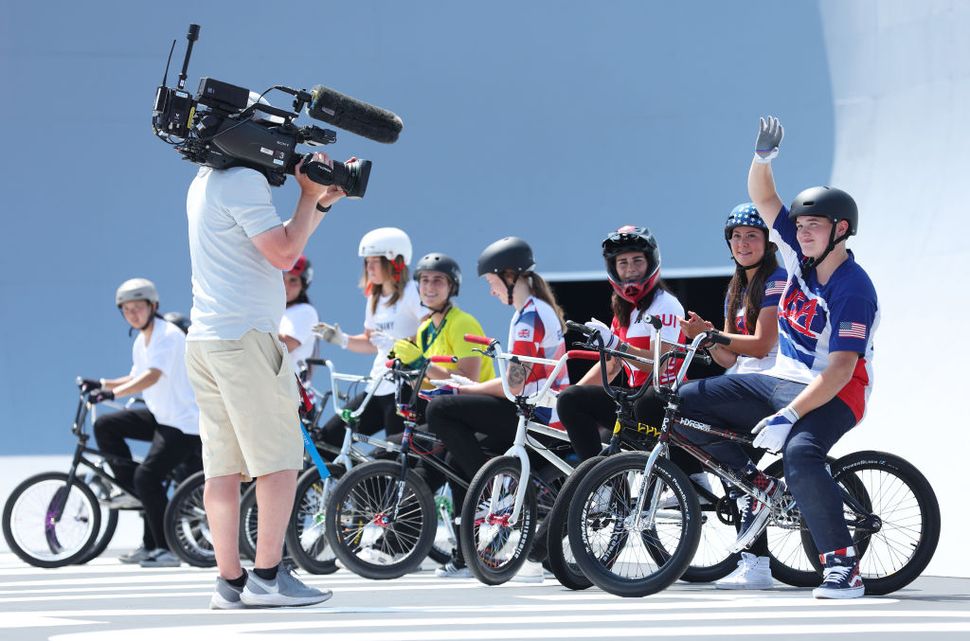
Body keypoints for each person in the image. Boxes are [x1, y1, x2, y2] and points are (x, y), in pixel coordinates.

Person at [675, 116, 879, 599]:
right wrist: (763, 158)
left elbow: (842, 369)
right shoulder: (795, 255)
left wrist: (790, 415)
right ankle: (757, 485)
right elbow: (765, 198)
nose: (803, 232)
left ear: (841, 230)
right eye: (801, 225)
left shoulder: (854, 289)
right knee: (680, 406)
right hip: (779, 380)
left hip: (834, 392)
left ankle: (843, 568)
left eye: (815, 225)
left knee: (802, 454)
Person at [184, 116, 346, 608]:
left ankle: (230, 584)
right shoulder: (245, 181)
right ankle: (269, 579)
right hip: (247, 340)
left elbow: (276, 244)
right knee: (278, 461)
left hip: (207, 341)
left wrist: (319, 203)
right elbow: (284, 255)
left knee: (222, 469)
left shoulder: (204, 181)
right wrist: (304, 195)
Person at [425, 237, 569, 581]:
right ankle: (467, 550)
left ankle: (496, 489)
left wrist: (469, 387)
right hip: (530, 412)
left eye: (491, 283)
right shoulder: (529, 312)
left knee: (440, 410)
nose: (491, 292)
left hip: (539, 418)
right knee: (454, 459)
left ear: (509, 276)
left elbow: (514, 384)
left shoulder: (530, 316)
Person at [677, 204, 787, 590]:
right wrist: (704, 337)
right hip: (745, 380)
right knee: (726, 462)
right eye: (736, 237)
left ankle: (754, 484)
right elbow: (728, 357)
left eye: (751, 236)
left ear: (768, 241)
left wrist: (714, 336)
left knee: (686, 398)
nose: (742, 243)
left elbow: (760, 345)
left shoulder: (777, 280)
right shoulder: (737, 286)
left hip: (773, 384)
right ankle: (756, 565)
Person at [90, 278, 202, 568]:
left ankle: (166, 548)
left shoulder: (167, 334)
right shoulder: (142, 339)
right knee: (106, 427)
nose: (132, 314)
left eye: (138, 308)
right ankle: (132, 491)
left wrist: (112, 392)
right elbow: (135, 375)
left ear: (153, 306)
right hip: (159, 416)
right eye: (126, 310)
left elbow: (151, 376)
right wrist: (101, 383)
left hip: (182, 423)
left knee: (148, 478)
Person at [555, 226, 686, 462]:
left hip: (666, 402)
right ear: (613, 268)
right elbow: (612, 365)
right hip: (637, 400)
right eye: (622, 263)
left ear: (651, 262)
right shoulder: (625, 310)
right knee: (570, 400)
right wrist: (559, 398)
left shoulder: (666, 305)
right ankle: (603, 484)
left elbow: (660, 365)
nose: (630, 269)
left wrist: (615, 343)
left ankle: (689, 473)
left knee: (646, 402)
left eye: (637, 261)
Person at [314, 228, 423, 452]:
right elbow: (370, 341)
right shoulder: (374, 297)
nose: (369, 268)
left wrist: (399, 345)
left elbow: (429, 332)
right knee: (328, 440)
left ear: (396, 261)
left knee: (394, 456)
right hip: (376, 386)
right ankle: (350, 485)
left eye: (376, 261)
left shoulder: (413, 291)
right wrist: (341, 339)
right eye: (367, 262)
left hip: (401, 389)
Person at [279, 255, 319, 376]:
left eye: (293, 280)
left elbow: (286, 345)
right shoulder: (273, 311)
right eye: (282, 279)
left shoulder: (306, 311)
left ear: (303, 285)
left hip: (284, 389)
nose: (286, 286)